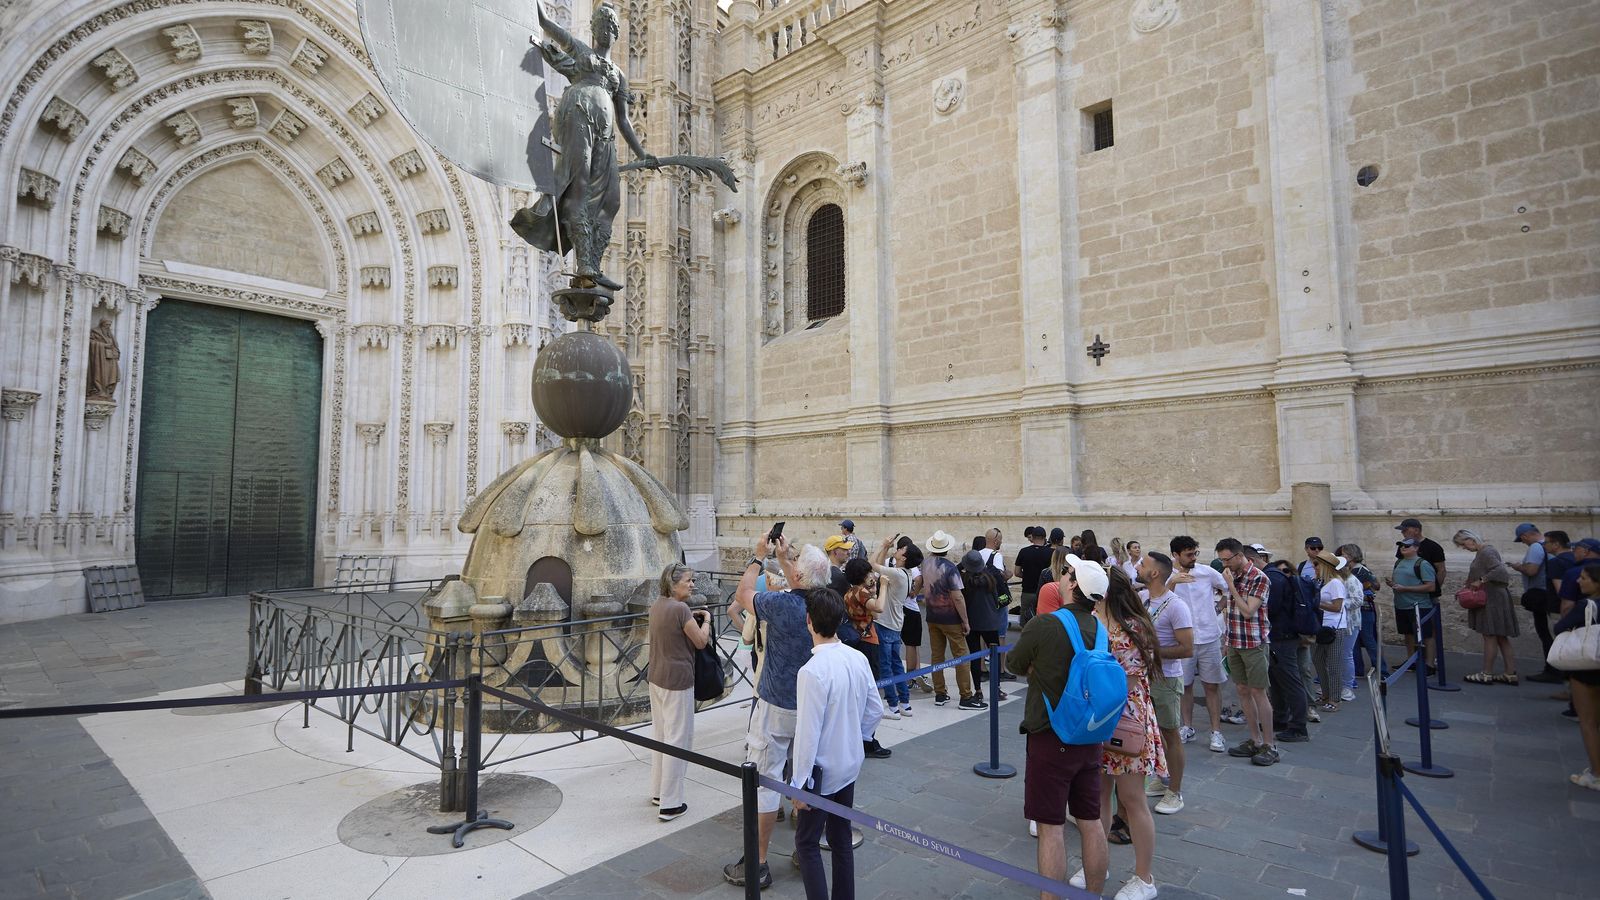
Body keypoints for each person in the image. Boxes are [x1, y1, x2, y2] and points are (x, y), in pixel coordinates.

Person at [723, 533, 826, 890]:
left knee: (765, 780)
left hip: (775, 703)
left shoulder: (782, 606)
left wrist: (757, 559)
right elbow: (804, 584)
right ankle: (804, 849)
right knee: (806, 776)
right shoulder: (827, 602)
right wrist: (783, 559)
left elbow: (742, 596)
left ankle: (759, 861)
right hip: (811, 708)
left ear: (798, 576)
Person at [1008, 555, 1111, 899]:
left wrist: (1039, 667)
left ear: (1072, 585)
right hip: (1090, 736)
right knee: (1090, 821)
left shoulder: (1045, 624)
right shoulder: (1101, 630)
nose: (1064, 575)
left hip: (1051, 735)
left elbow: (1014, 663)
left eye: (1068, 572)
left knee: (1051, 828)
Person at [790, 587, 885, 900]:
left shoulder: (812, 671)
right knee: (841, 838)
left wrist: (798, 784)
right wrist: (856, 738)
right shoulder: (856, 657)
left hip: (821, 772)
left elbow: (807, 733)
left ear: (809, 621)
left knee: (806, 843)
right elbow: (875, 708)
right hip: (849, 762)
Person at [1081, 567, 1165, 900]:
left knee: (1132, 800)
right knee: (1098, 797)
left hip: (1124, 721)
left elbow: (1124, 684)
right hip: (1098, 719)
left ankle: (1144, 878)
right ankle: (1097, 865)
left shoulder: (1132, 628)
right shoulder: (1094, 620)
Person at [647, 563, 711, 821]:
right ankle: (671, 803)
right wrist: (706, 620)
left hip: (657, 676)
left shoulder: (658, 604)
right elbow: (700, 641)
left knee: (661, 736)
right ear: (674, 584)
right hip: (677, 680)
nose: (692, 584)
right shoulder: (680, 608)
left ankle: (659, 792)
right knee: (677, 739)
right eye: (688, 580)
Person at [1216, 538, 1277, 766]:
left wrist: (1230, 587)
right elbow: (1230, 611)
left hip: (1254, 643)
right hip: (1234, 641)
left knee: (1259, 692)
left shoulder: (1259, 578)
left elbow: (1249, 611)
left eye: (1227, 559)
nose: (1225, 565)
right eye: (1222, 560)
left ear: (1240, 556)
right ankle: (1255, 738)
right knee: (1242, 690)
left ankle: (1270, 744)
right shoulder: (1233, 576)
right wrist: (1226, 640)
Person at [1139, 551, 1191, 815]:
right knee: (1154, 733)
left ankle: (1176, 791)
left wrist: (1153, 651)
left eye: (1143, 564)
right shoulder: (1142, 599)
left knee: (1171, 733)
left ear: (1155, 573)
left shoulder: (1176, 606)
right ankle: (1162, 778)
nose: (1137, 566)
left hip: (1166, 678)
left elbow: (1187, 648)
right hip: (1144, 677)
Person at [1169, 535, 1232, 753]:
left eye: (1195, 553)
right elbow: (1161, 600)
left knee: (1211, 685)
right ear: (1176, 555)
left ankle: (1216, 731)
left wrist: (1219, 607)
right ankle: (1187, 726)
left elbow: (1227, 588)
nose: (1193, 558)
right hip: (1183, 639)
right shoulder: (1170, 575)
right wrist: (1172, 582)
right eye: (1188, 554)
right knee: (1184, 685)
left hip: (1208, 636)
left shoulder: (1206, 572)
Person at [1250, 544, 1308, 744]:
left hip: (1282, 637)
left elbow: (1267, 609)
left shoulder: (1272, 578)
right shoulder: (1274, 575)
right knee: (1276, 680)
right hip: (1277, 636)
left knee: (1290, 680)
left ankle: (1299, 726)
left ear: (1252, 561)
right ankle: (1280, 718)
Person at [922, 531, 986, 710]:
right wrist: (965, 621)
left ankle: (940, 693)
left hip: (932, 617)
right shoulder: (950, 568)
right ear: (946, 548)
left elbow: (919, 583)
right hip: (950, 619)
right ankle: (966, 696)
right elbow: (957, 597)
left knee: (937, 656)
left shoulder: (925, 563)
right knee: (962, 657)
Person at [1553, 563, 1600, 790]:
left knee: (1588, 722)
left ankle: (1597, 773)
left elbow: (1560, 627)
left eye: (1584, 578)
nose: (1578, 581)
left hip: (1587, 667)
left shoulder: (1587, 605)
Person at [1454, 529, 1520, 685]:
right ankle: (1510, 673)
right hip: (1494, 596)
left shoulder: (1486, 552)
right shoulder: (1484, 552)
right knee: (1501, 637)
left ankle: (1486, 673)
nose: (1464, 548)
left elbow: (1499, 570)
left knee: (1489, 635)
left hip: (1492, 598)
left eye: (1463, 544)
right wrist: (1467, 586)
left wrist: (1482, 580)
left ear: (1471, 539)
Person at [841, 557, 892, 759]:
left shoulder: (850, 592)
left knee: (862, 692)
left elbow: (874, 614)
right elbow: (879, 609)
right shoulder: (860, 592)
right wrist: (884, 586)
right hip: (867, 640)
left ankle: (865, 738)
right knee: (871, 691)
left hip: (859, 638)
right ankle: (867, 739)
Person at [1512, 523, 1562, 684]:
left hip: (1540, 595)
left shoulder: (1535, 547)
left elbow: (1532, 570)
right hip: (1548, 594)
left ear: (1525, 536)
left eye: (1522, 540)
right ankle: (1555, 669)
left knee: (1544, 633)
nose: (1524, 543)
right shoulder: (1548, 548)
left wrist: (1519, 567)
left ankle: (1552, 670)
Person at [870, 537, 911, 718]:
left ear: (904, 558)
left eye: (901, 550)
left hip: (885, 624)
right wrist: (886, 549)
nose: (898, 550)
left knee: (885, 666)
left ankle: (893, 706)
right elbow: (881, 567)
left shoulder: (897, 574)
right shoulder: (905, 573)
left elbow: (872, 564)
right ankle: (905, 703)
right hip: (895, 624)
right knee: (896, 664)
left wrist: (882, 545)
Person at [960, 550, 1008, 703]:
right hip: (990, 622)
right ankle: (996, 688)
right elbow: (1000, 598)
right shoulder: (991, 578)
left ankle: (978, 690)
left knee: (975, 656)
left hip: (972, 623)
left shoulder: (964, 580)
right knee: (994, 657)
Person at [1308, 551, 1352, 714]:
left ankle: (1334, 698)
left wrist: (1317, 604)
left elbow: (1337, 606)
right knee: (1318, 660)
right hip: (1321, 626)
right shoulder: (1322, 582)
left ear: (1325, 566)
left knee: (1333, 664)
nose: (1314, 567)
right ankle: (1326, 694)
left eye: (1316, 564)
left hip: (1333, 628)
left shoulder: (1335, 583)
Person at [1385, 539, 1437, 671]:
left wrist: (1406, 588)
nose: (1403, 548)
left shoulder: (1423, 564)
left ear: (1416, 548)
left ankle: (1429, 664)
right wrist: (1393, 584)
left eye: (1406, 546)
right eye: (1401, 545)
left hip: (1419, 605)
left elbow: (1431, 586)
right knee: (1408, 634)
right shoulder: (1399, 562)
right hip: (1401, 605)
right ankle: (1411, 661)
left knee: (1426, 635)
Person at [1337, 543, 1379, 696]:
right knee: (1351, 649)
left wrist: (1337, 604)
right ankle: (1357, 671)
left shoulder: (1357, 572)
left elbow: (1370, 588)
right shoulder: (1352, 572)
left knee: (1367, 641)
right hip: (1351, 616)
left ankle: (1381, 669)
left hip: (1361, 613)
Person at [1395, 516, 1448, 609]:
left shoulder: (1433, 547)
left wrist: (1433, 590)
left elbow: (1441, 570)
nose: (1402, 532)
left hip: (1426, 596)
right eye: (1402, 530)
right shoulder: (1403, 546)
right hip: (1405, 597)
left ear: (1416, 530)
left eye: (1405, 530)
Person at [1015, 526, 1054, 627]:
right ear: (1044, 538)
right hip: (1044, 593)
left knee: (1025, 623)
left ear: (1032, 537)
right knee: (1043, 623)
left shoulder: (1023, 551)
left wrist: (1027, 576)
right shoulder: (1051, 553)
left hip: (1027, 592)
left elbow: (1017, 572)